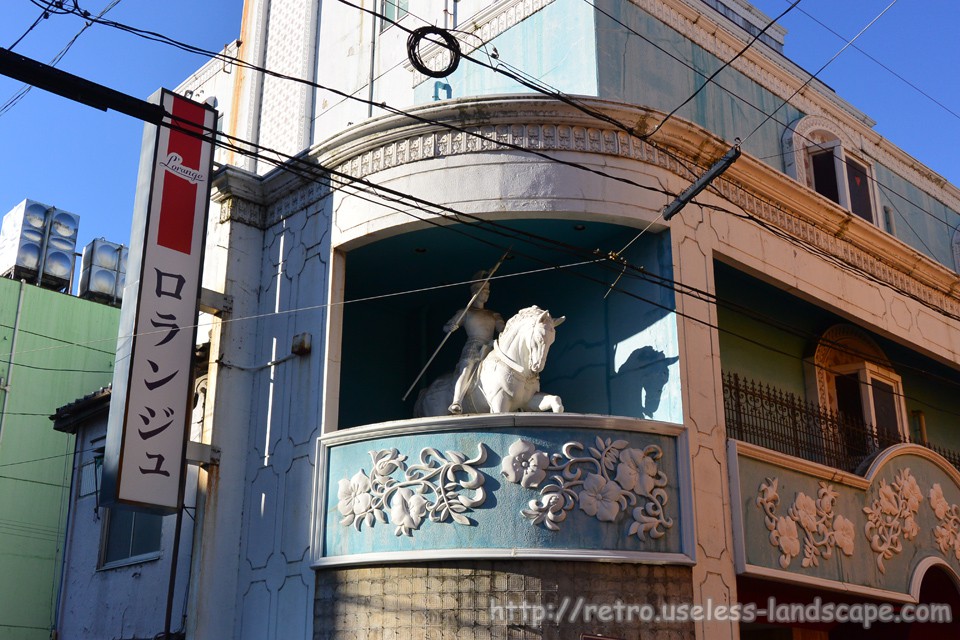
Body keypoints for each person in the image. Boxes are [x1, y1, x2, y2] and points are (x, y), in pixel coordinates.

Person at [445, 271, 505, 414]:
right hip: (473, 345)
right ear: (476, 292)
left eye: (488, 291)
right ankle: (457, 401)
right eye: (484, 291)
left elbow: (503, 329)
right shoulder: (466, 312)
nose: (487, 294)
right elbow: (447, 327)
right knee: (466, 369)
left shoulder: (493, 314)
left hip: (491, 346)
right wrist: (451, 327)